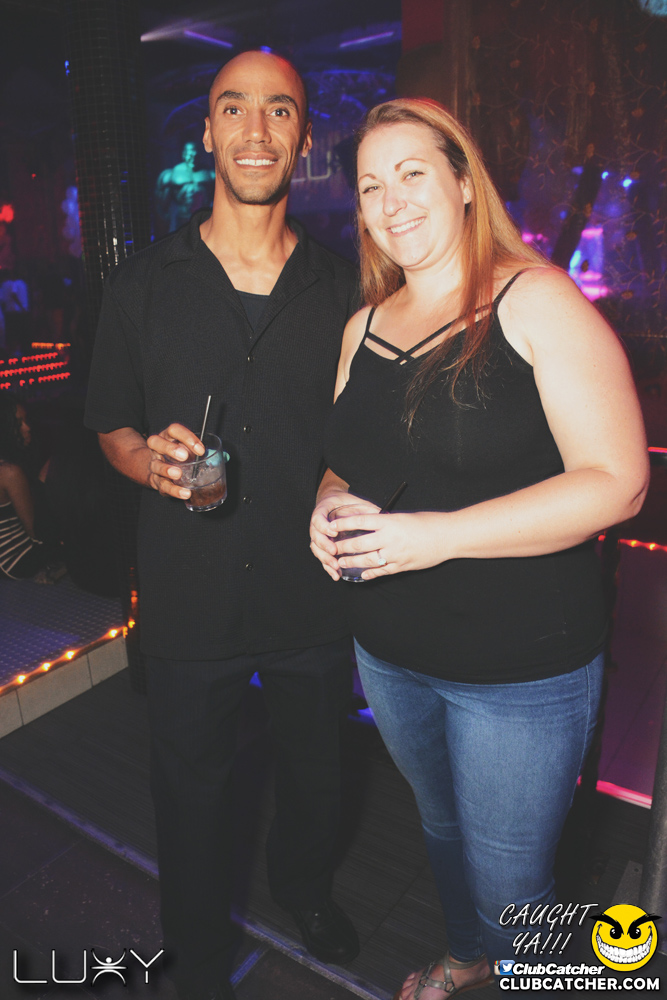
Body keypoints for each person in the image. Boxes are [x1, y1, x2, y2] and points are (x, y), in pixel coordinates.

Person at [309, 98, 648, 1000]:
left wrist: (438, 537)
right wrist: (328, 500)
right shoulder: (363, 326)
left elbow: (617, 481)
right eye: (370, 186)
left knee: (514, 890)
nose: (390, 201)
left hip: (518, 670)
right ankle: (466, 958)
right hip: (389, 654)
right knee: (442, 827)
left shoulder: (532, 300)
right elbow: (343, 460)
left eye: (411, 173)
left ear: (463, 183)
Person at [84, 50, 359, 1000]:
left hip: (308, 591)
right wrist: (149, 465)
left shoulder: (346, 291)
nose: (255, 129)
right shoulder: (140, 285)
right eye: (232, 108)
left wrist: (341, 485)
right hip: (187, 593)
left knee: (318, 777)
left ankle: (305, 890)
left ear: (303, 138)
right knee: (191, 794)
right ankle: (196, 956)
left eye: (279, 110)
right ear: (206, 132)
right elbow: (111, 428)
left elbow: (357, 435)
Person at [0, 394, 50, 581]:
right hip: (16, 561)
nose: (27, 428)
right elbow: (35, 531)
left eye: (26, 420)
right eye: (18, 423)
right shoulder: (9, 472)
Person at [155, 141, 216, 232]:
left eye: (196, 156)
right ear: (183, 155)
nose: (193, 159)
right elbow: (162, 207)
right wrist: (164, 225)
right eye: (190, 155)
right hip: (182, 219)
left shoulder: (210, 174)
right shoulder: (172, 174)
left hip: (204, 219)